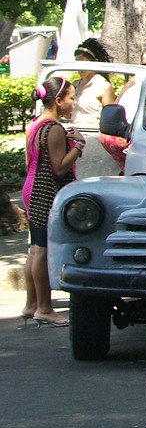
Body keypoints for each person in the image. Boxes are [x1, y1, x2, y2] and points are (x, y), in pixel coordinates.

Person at [21, 77, 84, 326]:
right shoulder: (54, 128)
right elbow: (58, 168)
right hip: (44, 190)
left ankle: (31, 305)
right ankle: (45, 308)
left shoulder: (36, 124)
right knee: (43, 250)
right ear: (58, 101)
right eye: (70, 97)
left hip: (31, 185)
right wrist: (78, 145)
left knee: (35, 248)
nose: (73, 102)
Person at [72, 37, 114, 130]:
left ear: (94, 61)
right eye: (77, 63)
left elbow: (110, 117)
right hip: (73, 131)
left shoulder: (104, 86)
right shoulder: (74, 84)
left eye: (83, 63)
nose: (79, 67)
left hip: (92, 132)